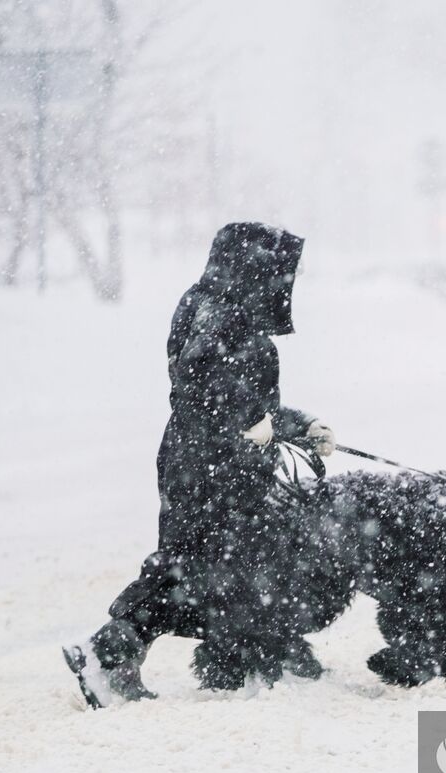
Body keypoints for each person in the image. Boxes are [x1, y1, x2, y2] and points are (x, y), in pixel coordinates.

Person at [63, 222, 336, 707]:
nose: (282, 284)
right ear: (252, 267)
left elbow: (237, 394)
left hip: (213, 461)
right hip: (207, 468)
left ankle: (261, 656)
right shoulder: (220, 311)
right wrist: (251, 421)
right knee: (194, 565)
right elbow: (197, 379)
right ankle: (107, 654)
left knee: (222, 565)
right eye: (275, 271)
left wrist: (298, 425)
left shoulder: (223, 306)